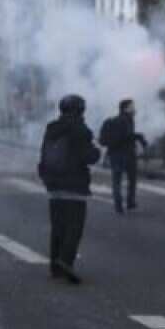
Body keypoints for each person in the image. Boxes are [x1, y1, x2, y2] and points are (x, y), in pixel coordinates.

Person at [38, 94, 101, 284]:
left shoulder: (52, 128)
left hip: (54, 185)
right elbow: (89, 156)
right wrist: (96, 151)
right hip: (74, 186)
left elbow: (44, 153)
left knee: (57, 228)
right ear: (80, 110)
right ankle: (66, 261)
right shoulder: (80, 130)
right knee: (74, 228)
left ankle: (55, 267)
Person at [99, 99, 150, 214]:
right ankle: (130, 202)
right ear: (126, 108)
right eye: (132, 106)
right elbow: (127, 136)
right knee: (131, 179)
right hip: (127, 154)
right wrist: (139, 138)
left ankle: (119, 205)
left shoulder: (118, 120)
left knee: (116, 180)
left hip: (115, 154)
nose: (134, 108)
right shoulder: (126, 120)